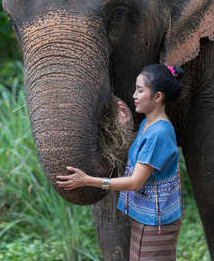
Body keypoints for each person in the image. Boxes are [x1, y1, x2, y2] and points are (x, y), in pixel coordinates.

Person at [56, 64, 185, 261]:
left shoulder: (159, 133)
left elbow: (135, 182)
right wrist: (124, 128)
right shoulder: (147, 124)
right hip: (148, 220)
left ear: (157, 96)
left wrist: (88, 180)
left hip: (154, 223)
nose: (134, 95)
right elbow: (143, 157)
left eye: (140, 90)